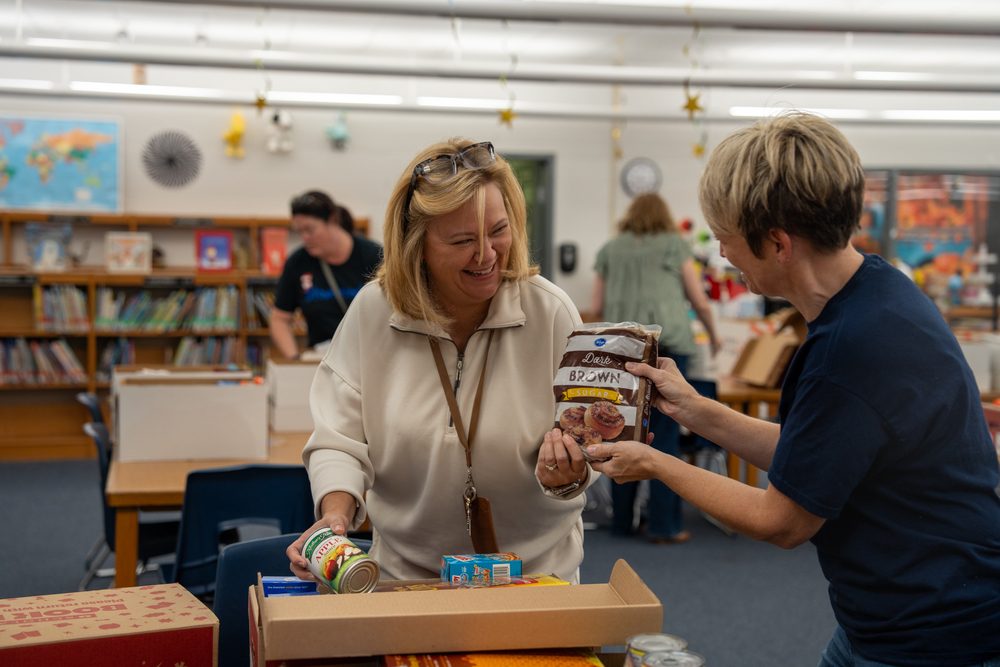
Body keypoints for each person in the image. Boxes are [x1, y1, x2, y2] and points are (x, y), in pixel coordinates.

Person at [586, 112, 1000, 667]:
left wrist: (657, 463)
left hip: (933, 633)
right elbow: (813, 454)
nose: (724, 256)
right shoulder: (876, 291)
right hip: (889, 615)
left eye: (727, 241)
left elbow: (781, 520)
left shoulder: (850, 349)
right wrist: (695, 410)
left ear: (778, 243)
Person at [286, 139, 592, 583]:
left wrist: (569, 471)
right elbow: (338, 438)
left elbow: (588, 439)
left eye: (499, 230)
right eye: (463, 240)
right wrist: (335, 513)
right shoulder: (374, 311)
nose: (487, 254)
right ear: (417, 244)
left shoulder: (551, 312)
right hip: (407, 578)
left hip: (536, 578)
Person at [590, 192, 720, 544]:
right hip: (669, 346)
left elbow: (596, 304)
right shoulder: (674, 246)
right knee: (663, 438)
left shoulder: (610, 249)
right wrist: (714, 335)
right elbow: (698, 299)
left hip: (620, 350)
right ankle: (664, 526)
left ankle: (622, 523)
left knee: (619, 431)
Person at [271, 191, 382, 359]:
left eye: (310, 230)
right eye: (300, 232)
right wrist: (294, 359)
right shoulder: (297, 263)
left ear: (332, 220)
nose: (305, 238)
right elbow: (279, 318)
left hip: (372, 359)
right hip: (323, 361)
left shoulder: (375, 257)